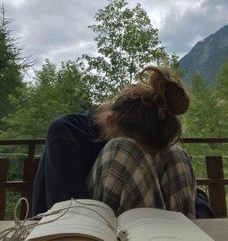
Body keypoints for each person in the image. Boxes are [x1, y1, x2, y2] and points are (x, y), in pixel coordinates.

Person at [32, 66, 213, 218]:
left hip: (157, 227)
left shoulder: (151, 138)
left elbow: (192, 195)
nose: (146, 160)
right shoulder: (67, 131)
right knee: (124, 151)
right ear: (111, 122)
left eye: (150, 156)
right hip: (85, 225)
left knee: (175, 154)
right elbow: (65, 207)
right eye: (143, 154)